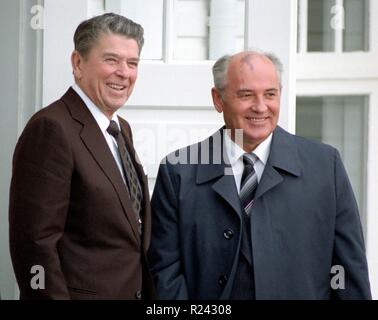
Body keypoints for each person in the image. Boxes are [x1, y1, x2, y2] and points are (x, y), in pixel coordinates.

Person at [148, 50, 371, 299]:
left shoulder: (325, 166)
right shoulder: (178, 171)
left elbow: (346, 271)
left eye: (270, 94)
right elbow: (164, 273)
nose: (261, 107)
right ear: (218, 99)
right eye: (246, 95)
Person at [9, 13, 154, 300]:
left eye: (132, 63)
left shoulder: (119, 128)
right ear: (78, 63)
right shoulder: (51, 128)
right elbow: (34, 245)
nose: (124, 72)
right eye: (111, 60)